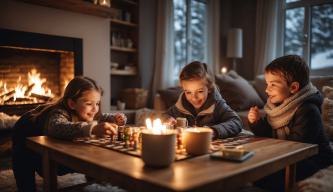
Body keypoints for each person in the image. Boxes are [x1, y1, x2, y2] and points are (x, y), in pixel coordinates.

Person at [12, 76, 127, 192]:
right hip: (24, 135)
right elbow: (57, 127)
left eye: (97, 103)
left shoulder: (88, 111)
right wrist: (92, 128)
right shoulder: (59, 112)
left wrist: (114, 118)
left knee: (89, 153)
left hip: (46, 138)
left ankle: (94, 184)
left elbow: (99, 116)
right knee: (26, 178)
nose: (95, 109)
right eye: (89, 104)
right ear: (72, 104)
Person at [247, 55, 333, 191]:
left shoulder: (307, 110)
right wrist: (257, 122)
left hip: (314, 158)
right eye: (267, 84)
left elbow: (296, 146)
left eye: (273, 85)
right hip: (292, 155)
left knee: (268, 177)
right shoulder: (277, 107)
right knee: (257, 168)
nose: (266, 89)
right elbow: (268, 132)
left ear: (293, 87)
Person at [165, 61, 242, 139]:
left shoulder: (217, 105)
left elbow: (236, 122)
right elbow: (165, 115)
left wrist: (214, 131)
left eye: (200, 91)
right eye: (188, 92)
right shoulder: (180, 107)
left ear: (209, 88)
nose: (194, 97)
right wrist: (167, 119)